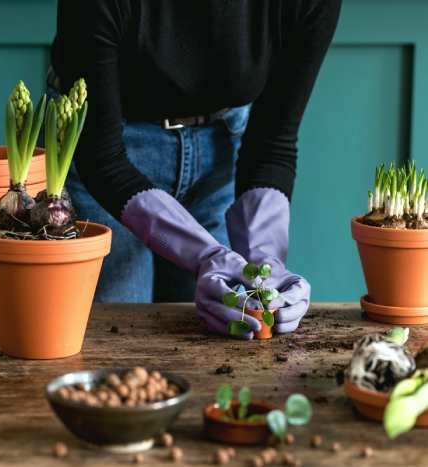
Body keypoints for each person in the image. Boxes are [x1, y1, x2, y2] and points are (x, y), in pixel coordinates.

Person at [49, 1, 342, 339]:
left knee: (224, 336)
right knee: (111, 339)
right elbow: (102, 157)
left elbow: (272, 142)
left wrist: (265, 267)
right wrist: (207, 255)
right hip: (105, 158)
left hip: (220, 147)